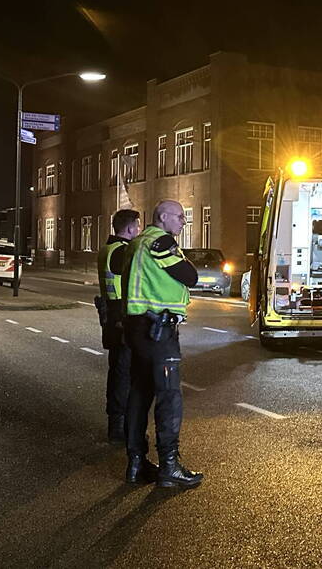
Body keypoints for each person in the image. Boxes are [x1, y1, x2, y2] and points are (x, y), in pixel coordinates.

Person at [122, 200, 203, 487]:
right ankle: (170, 466)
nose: (183, 221)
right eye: (180, 217)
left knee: (140, 394)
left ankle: (135, 463)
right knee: (169, 397)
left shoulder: (137, 242)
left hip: (136, 327)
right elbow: (189, 276)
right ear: (164, 217)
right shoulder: (161, 242)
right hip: (158, 329)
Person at [96, 209, 141, 443]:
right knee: (124, 374)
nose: (139, 230)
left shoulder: (108, 248)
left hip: (112, 315)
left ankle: (117, 422)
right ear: (131, 228)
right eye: (138, 226)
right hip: (122, 317)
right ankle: (119, 426)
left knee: (118, 371)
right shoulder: (123, 252)